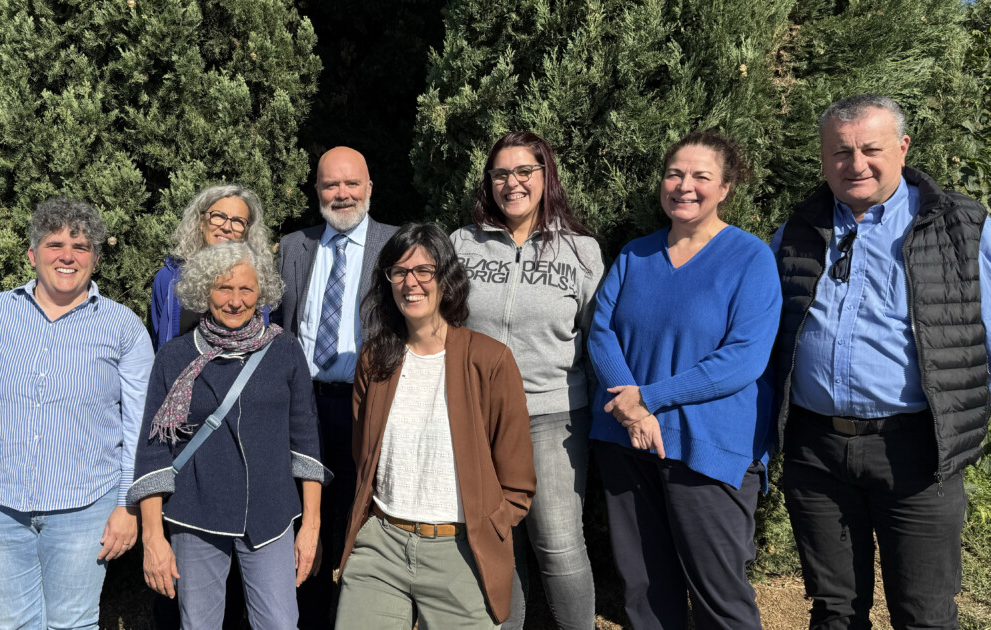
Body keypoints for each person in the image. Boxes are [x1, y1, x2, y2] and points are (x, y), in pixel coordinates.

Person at [772, 94, 991, 629]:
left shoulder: (964, 227)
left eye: (870, 149)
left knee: (924, 615)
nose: (855, 164)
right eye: (840, 152)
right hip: (815, 450)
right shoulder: (796, 230)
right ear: (823, 159)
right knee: (835, 611)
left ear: (903, 147)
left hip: (917, 449)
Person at [0, 197, 154, 630]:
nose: (67, 255)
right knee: (12, 622)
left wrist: (129, 504)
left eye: (80, 246)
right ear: (33, 254)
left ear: (96, 259)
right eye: (54, 244)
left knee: (73, 622)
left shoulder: (123, 327)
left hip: (85, 507)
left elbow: (141, 424)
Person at [589, 131, 781, 629]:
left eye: (701, 176)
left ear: (725, 188)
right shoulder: (635, 255)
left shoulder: (750, 258)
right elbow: (601, 331)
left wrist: (647, 400)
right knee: (644, 589)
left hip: (707, 444)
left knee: (720, 595)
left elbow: (744, 358)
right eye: (675, 173)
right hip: (625, 443)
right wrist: (630, 411)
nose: (684, 186)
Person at [334, 223, 536, 629]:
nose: (412, 283)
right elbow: (365, 453)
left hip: (460, 553)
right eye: (400, 272)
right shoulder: (376, 359)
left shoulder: (489, 361)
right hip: (381, 549)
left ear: (446, 277)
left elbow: (517, 480)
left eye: (424, 270)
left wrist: (488, 527)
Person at [129, 240, 330, 629]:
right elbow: (154, 454)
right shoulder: (174, 356)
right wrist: (153, 537)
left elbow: (306, 442)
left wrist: (311, 526)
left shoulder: (285, 350)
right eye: (224, 287)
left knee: (279, 623)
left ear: (262, 293)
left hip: (271, 515)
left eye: (246, 289)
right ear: (205, 290)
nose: (235, 300)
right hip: (195, 514)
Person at [450, 130, 602, 629]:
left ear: (545, 177)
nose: (511, 183)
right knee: (498, 544)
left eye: (523, 172)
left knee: (559, 546)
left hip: (551, 418)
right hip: (477, 418)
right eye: (500, 174)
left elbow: (597, 338)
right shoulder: (461, 244)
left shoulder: (581, 252)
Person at [272, 146, 397, 629]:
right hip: (302, 407)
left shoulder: (394, 244)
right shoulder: (294, 247)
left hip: (366, 406)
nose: (341, 194)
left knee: (356, 519)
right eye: (330, 185)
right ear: (317, 191)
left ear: (369, 187)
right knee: (302, 521)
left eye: (351, 184)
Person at [150, 183, 272, 350]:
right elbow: (160, 341)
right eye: (218, 216)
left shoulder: (256, 281)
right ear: (201, 222)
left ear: (246, 232)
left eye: (237, 221)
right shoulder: (168, 279)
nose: (226, 227)